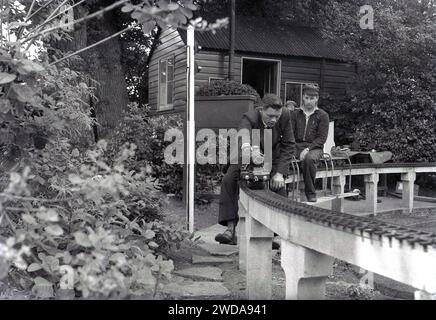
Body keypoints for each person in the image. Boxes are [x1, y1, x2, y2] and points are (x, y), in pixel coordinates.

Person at [215, 94, 296, 245]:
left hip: (272, 156)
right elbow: (243, 135)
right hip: (246, 154)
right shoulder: (249, 117)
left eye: (276, 117)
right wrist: (250, 149)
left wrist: (279, 173)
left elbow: (289, 144)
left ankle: (277, 235)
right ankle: (230, 230)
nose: (274, 120)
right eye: (270, 116)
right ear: (261, 110)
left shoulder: (285, 115)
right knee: (228, 180)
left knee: (278, 187)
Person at [291, 83, 329, 202]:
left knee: (308, 159)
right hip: (296, 145)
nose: (308, 101)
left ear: (317, 98)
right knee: (282, 155)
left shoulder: (322, 115)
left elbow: (321, 138)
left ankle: (310, 193)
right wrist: (291, 148)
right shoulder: (295, 114)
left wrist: (307, 150)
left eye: (312, 98)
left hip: (314, 147)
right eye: (306, 98)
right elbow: (290, 133)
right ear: (303, 97)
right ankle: (283, 191)